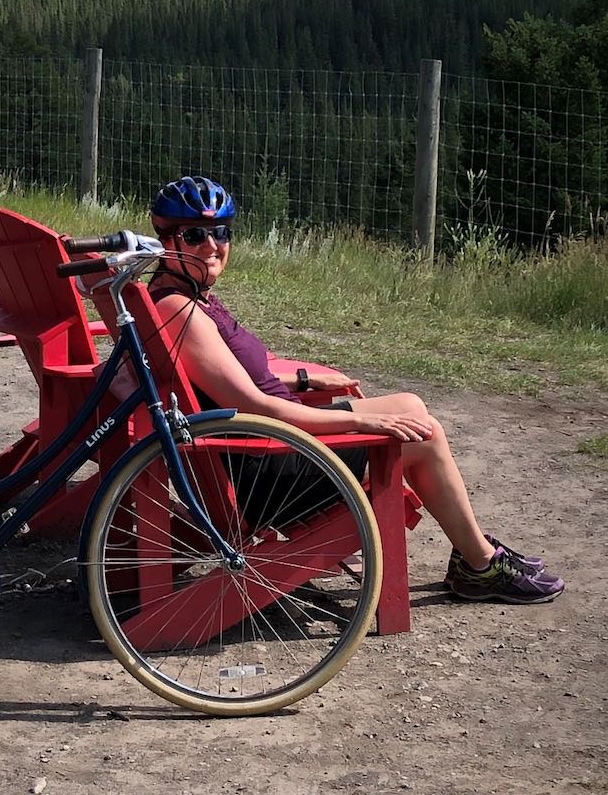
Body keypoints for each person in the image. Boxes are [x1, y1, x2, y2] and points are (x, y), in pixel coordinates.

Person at [147, 174, 565, 604]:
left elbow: (232, 377)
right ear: (166, 241)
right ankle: (479, 563)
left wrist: (307, 380)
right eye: (195, 235)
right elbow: (255, 405)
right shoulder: (181, 311)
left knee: (410, 404)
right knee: (425, 434)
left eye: (221, 233)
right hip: (272, 469)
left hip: (267, 449)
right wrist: (359, 420)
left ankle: (471, 552)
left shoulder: (181, 295)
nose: (212, 246)